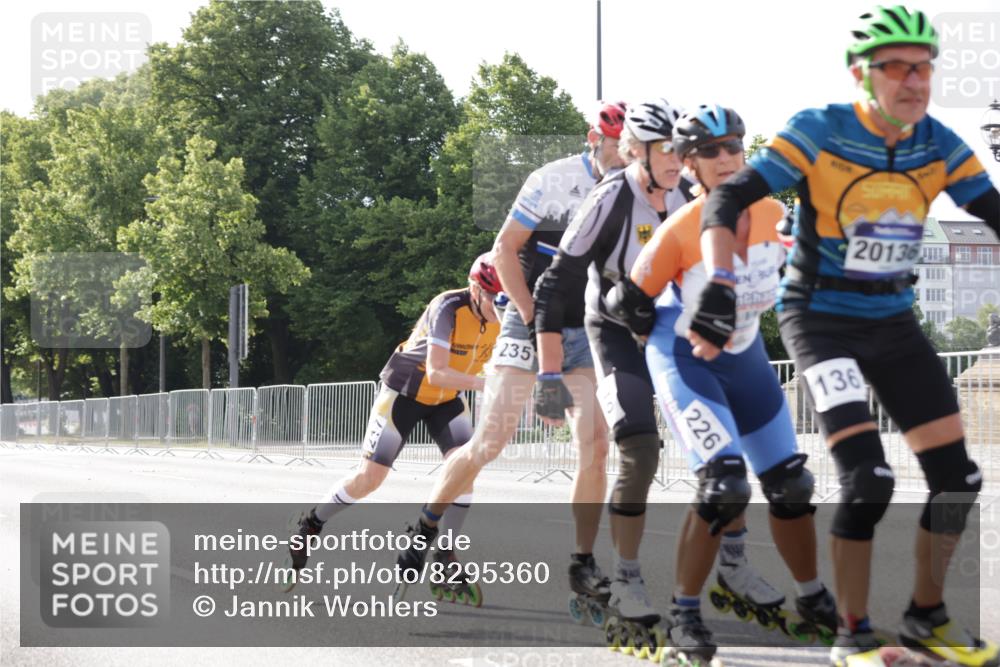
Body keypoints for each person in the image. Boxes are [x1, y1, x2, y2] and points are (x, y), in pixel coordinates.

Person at [690, 6, 1000, 667]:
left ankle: (925, 617)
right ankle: (852, 634)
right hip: (821, 319)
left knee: (958, 477)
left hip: (893, 323)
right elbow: (727, 201)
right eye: (897, 67)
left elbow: (994, 212)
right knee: (869, 479)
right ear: (861, 73)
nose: (915, 81)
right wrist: (719, 283)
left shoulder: (939, 142)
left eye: (925, 67)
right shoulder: (819, 131)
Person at [391, 102, 627, 612]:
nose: (623, 159)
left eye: (631, 151)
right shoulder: (552, 179)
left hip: (582, 326)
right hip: (527, 317)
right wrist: (533, 316)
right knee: (489, 443)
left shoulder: (634, 188)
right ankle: (427, 521)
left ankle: (583, 565)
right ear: (593, 139)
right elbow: (503, 250)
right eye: (615, 148)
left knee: (596, 442)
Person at [625, 104, 837, 664]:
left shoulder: (774, 212)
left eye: (734, 148)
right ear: (688, 165)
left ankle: (814, 597)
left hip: (747, 362)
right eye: (710, 152)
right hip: (686, 361)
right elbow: (630, 302)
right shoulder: (678, 229)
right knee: (724, 486)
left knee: (791, 486)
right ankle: (685, 615)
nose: (725, 159)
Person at [532, 98, 700, 648]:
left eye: (681, 149)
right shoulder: (610, 199)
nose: (677, 159)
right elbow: (554, 284)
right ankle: (624, 576)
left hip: (671, 329)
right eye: (664, 150)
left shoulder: (688, 191)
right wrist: (550, 374)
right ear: (634, 151)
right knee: (640, 449)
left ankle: (730, 570)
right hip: (614, 334)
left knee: (722, 450)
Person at [282, 254, 503, 604]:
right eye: (495, 298)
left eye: (507, 299)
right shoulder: (447, 306)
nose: (501, 308)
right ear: (476, 289)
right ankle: (311, 523)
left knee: (466, 467)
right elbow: (438, 372)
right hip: (406, 392)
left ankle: (445, 554)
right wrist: (488, 383)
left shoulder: (508, 313)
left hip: (447, 400)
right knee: (370, 478)